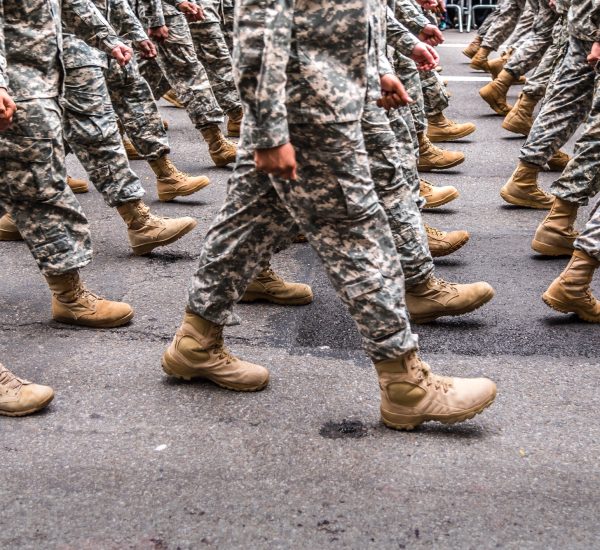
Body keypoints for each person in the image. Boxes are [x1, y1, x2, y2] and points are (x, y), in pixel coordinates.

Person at [161, 0, 496, 430]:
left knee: (249, 221)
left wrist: (372, 68)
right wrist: (267, 129)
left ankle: (196, 341)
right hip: (307, 107)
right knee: (357, 233)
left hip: (320, 94)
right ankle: (406, 385)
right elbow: (260, 24)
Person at [0, 0, 135, 415]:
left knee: (41, 188)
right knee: (41, 190)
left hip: (34, 83)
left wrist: (108, 38)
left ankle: (70, 294)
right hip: (17, 85)